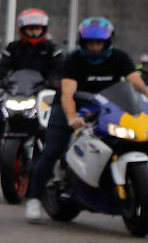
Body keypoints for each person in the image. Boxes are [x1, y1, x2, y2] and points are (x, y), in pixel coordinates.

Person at [25, 16, 148, 221]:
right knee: (53, 150)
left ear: (108, 42)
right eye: (90, 43)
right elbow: (67, 93)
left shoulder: (120, 58)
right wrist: (71, 118)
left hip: (108, 105)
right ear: (82, 43)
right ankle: (34, 199)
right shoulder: (73, 60)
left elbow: (136, 84)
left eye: (99, 43)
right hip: (73, 106)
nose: (94, 48)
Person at [0, 8, 63, 85]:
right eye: (30, 29)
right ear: (23, 29)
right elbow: (2, 68)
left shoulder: (52, 49)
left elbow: (59, 68)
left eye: (38, 29)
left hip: (44, 91)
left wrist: (54, 81)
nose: (34, 32)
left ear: (43, 29)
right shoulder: (13, 48)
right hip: (15, 90)